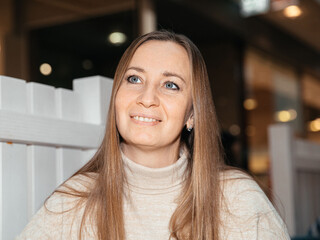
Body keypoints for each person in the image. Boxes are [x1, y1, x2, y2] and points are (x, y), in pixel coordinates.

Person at [17, 30, 290, 240]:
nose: (147, 98)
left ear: (192, 114)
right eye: (134, 79)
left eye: (170, 85)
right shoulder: (73, 200)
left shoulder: (237, 199)